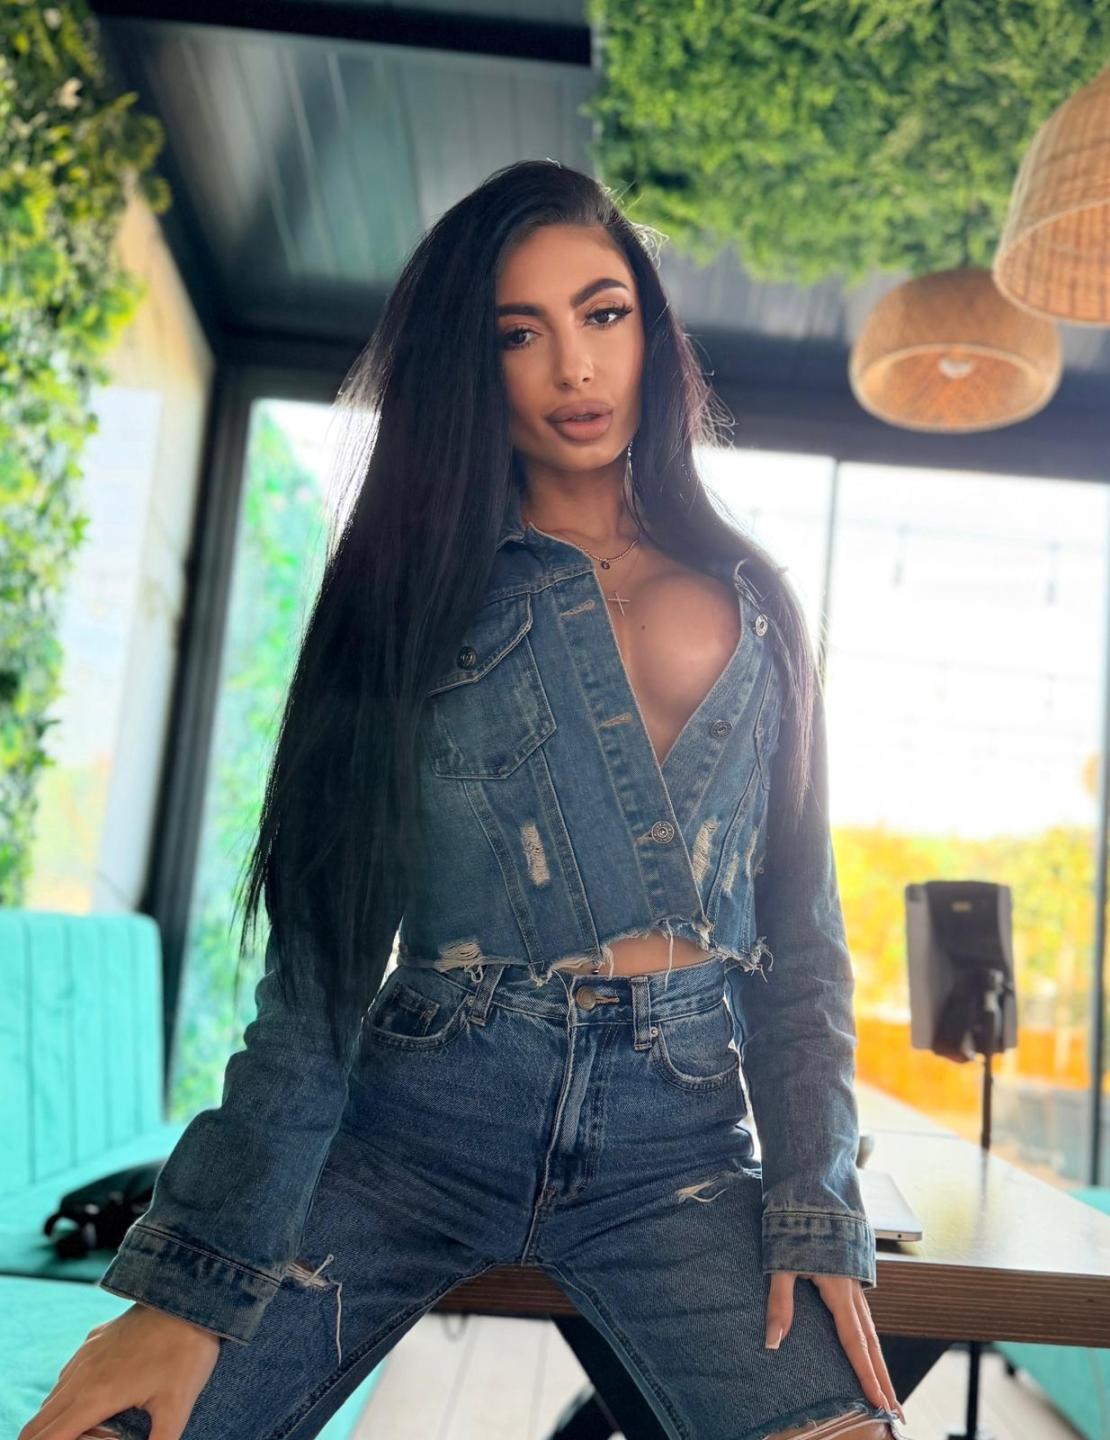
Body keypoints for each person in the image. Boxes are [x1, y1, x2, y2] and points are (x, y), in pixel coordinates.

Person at [20, 159, 912, 1440]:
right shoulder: (402, 596)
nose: (574, 367)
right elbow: (321, 974)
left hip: (676, 1155)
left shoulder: (756, 601)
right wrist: (193, 1280)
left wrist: (815, 1201)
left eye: (603, 314)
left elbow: (804, 950)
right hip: (415, 1127)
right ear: (470, 364)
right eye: (518, 333)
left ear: (650, 335)